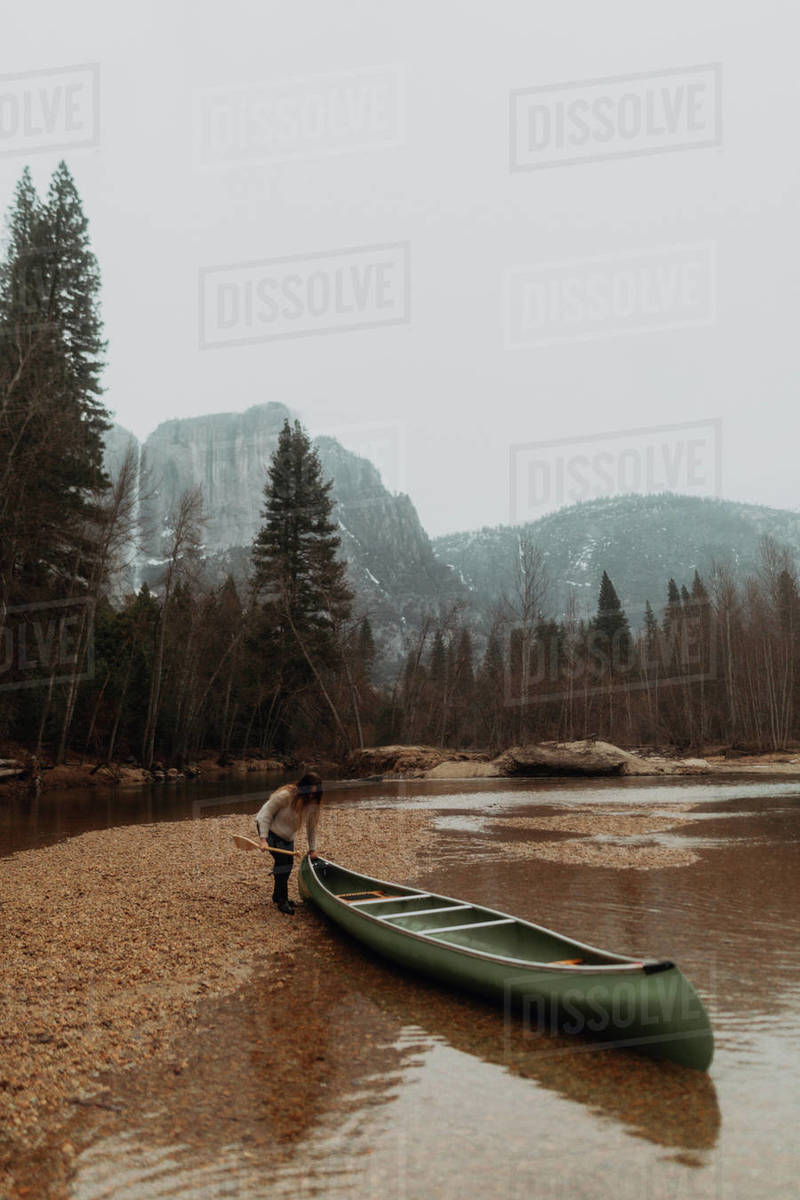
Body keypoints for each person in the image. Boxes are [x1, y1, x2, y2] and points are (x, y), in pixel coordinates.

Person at [255, 771, 322, 914]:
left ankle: (277, 895)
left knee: (287, 865)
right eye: (309, 792)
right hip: (269, 829)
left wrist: (313, 849)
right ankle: (282, 900)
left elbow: (312, 828)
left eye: (314, 794)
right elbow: (265, 814)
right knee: (283, 864)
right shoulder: (286, 796)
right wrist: (263, 839)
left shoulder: (312, 803)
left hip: (287, 836)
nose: (311, 796)